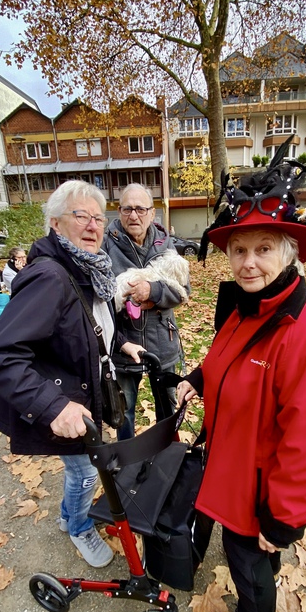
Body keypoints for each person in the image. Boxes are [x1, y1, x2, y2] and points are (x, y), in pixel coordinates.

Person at [177, 159, 306, 612]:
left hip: (258, 486)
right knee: (249, 552)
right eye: (239, 249)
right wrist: (198, 379)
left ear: (290, 253)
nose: (249, 262)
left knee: (245, 552)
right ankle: (264, 571)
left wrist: (285, 518)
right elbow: (225, 359)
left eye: (264, 249)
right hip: (233, 462)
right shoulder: (249, 307)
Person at [0, 180, 144, 567]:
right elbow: (0, 354)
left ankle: (68, 516)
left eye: (98, 218)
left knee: (81, 469)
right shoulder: (50, 277)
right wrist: (53, 408)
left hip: (84, 392)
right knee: (86, 472)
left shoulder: (87, 269)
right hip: (63, 402)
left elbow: (92, 322)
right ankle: (78, 526)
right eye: (80, 216)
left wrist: (121, 342)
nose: (92, 226)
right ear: (55, 224)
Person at [104, 183, 190, 439]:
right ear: (119, 212)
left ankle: (167, 455)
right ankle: (129, 463)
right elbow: (100, 300)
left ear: (152, 213)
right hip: (123, 345)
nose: (134, 215)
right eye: (127, 209)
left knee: (167, 407)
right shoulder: (105, 245)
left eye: (140, 209)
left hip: (163, 340)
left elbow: (184, 290)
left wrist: (152, 292)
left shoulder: (166, 244)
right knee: (124, 409)